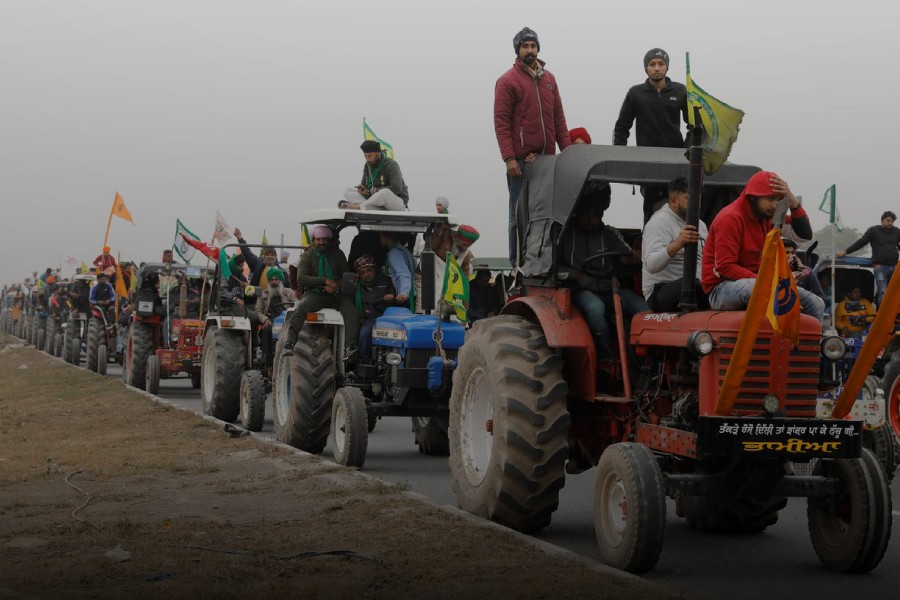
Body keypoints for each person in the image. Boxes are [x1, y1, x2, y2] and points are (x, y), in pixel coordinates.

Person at [701, 171, 825, 321]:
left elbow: (804, 234)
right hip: (721, 289)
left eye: (778, 199)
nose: (775, 205)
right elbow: (725, 267)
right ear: (753, 196)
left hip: (760, 283)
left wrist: (792, 200)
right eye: (771, 199)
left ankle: (806, 343)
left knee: (816, 303)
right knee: (757, 288)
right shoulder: (730, 217)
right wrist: (769, 282)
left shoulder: (769, 217)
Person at [494, 26, 571, 267]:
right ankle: (518, 263)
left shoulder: (549, 79)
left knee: (545, 214)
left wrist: (568, 153)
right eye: (525, 46)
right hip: (521, 162)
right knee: (518, 215)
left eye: (533, 45)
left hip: (547, 161)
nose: (530, 50)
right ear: (518, 50)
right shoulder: (507, 80)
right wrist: (509, 158)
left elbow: (558, 118)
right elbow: (501, 122)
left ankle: (540, 260)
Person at [557, 187, 648, 358]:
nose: (591, 217)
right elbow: (551, 268)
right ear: (577, 212)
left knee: (645, 310)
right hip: (580, 291)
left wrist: (633, 257)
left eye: (595, 212)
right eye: (586, 212)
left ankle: (648, 359)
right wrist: (577, 276)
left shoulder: (610, 234)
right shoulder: (564, 236)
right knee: (595, 309)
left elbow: (625, 254)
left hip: (610, 289)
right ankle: (606, 358)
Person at [612, 48, 690, 224]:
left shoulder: (680, 91)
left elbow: (694, 124)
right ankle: (650, 246)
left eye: (661, 64)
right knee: (651, 212)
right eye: (652, 64)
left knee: (681, 209)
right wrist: (619, 156)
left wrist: (687, 149)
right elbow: (622, 127)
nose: (656, 68)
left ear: (667, 67)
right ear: (646, 68)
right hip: (647, 163)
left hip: (676, 162)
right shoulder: (635, 93)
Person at [641, 177, 708, 312]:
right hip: (659, 290)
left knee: (721, 288)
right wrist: (677, 243)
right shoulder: (659, 222)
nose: (696, 204)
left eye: (698, 199)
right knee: (694, 286)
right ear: (673, 200)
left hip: (694, 285)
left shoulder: (700, 225)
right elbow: (651, 265)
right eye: (689, 199)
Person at [282, 226, 348, 356]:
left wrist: (336, 285)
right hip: (316, 295)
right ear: (313, 240)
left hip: (337, 295)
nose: (321, 242)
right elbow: (301, 278)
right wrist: (324, 281)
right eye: (318, 239)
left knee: (353, 310)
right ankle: (290, 343)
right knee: (301, 308)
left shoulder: (338, 254)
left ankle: (351, 348)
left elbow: (347, 275)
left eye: (324, 239)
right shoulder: (307, 256)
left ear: (329, 240)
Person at [837, 211, 900, 307]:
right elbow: (861, 242)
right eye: (888, 220)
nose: (890, 223)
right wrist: (846, 252)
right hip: (880, 266)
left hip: (894, 266)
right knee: (883, 290)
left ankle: (890, 315)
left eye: (892, 221)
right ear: (882, 220)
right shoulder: (873, 230)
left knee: (893, 292)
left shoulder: (897, 231)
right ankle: (882, 316)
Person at [346, 255, 395, 361]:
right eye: (362, 273)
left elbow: (394, 295)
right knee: (364, 333)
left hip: (387, 319)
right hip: (368, 320)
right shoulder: (355, 286)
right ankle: (365, 361)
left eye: (369, 270)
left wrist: (391, 296)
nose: (366, 274)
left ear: (375, 269)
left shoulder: (386, 281)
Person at [340, 141, 409, 211]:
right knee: (347, 191)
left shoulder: (391, 164)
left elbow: (396, 188)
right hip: (375, 201)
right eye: (365, 156)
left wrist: (376, 190)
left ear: (378, 153)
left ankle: (358, 207)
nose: (367, 159)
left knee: (385, 192)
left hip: (396, 202)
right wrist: (362, 189)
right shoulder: (368, 165)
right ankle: (371, 207)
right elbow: (365, 186)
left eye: (369, 156)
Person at [256, 267, 295, 366]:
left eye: (276, 279)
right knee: (267, 329)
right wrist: (265, 319)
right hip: (270, 320)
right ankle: (267, 359)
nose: (274, 282)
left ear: (280, 280)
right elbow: (257, 311)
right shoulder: (263, 294)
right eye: (271, 280)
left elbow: (296, 306)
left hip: (286, 320)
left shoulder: (289, 293)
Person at [380, 231, 415, 313]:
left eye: (381, 237)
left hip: (404, 298)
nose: (379, 240)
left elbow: (404, 274)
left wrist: (403, 294)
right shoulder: (402, 250)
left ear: (387, 237)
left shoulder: (394, 253)